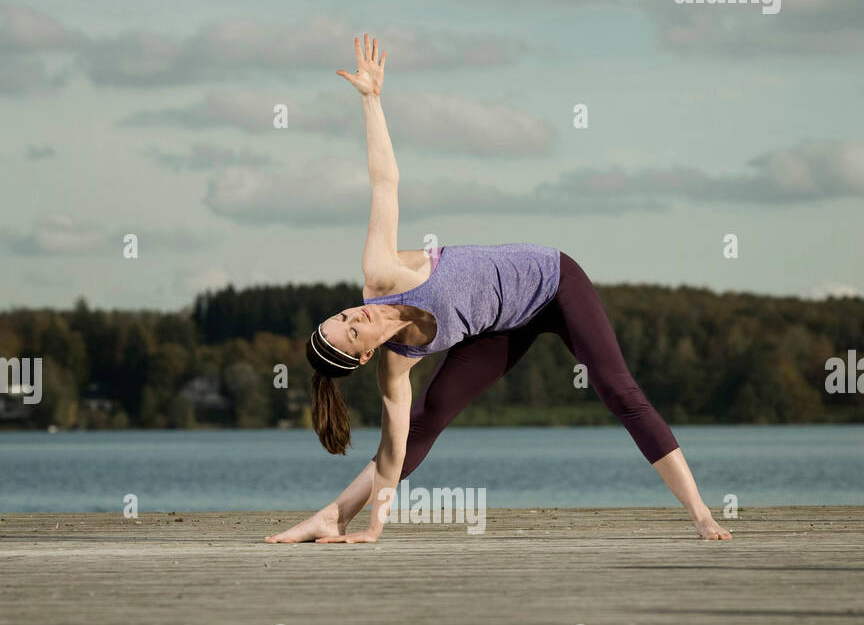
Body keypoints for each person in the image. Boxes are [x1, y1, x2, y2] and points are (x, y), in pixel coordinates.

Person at [266, 35, 731, 545]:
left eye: (347, 315)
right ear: (362, 357)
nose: (359, 317)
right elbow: (394, 448)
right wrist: (377, 525)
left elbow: (384, 182)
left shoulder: (381, 272)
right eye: (353, 332)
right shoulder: (394, 368)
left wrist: (371, 100)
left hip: (553, 281)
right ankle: (336, 516)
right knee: (424, 421)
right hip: (504, 325)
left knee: (618, 391)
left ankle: (701, 513)